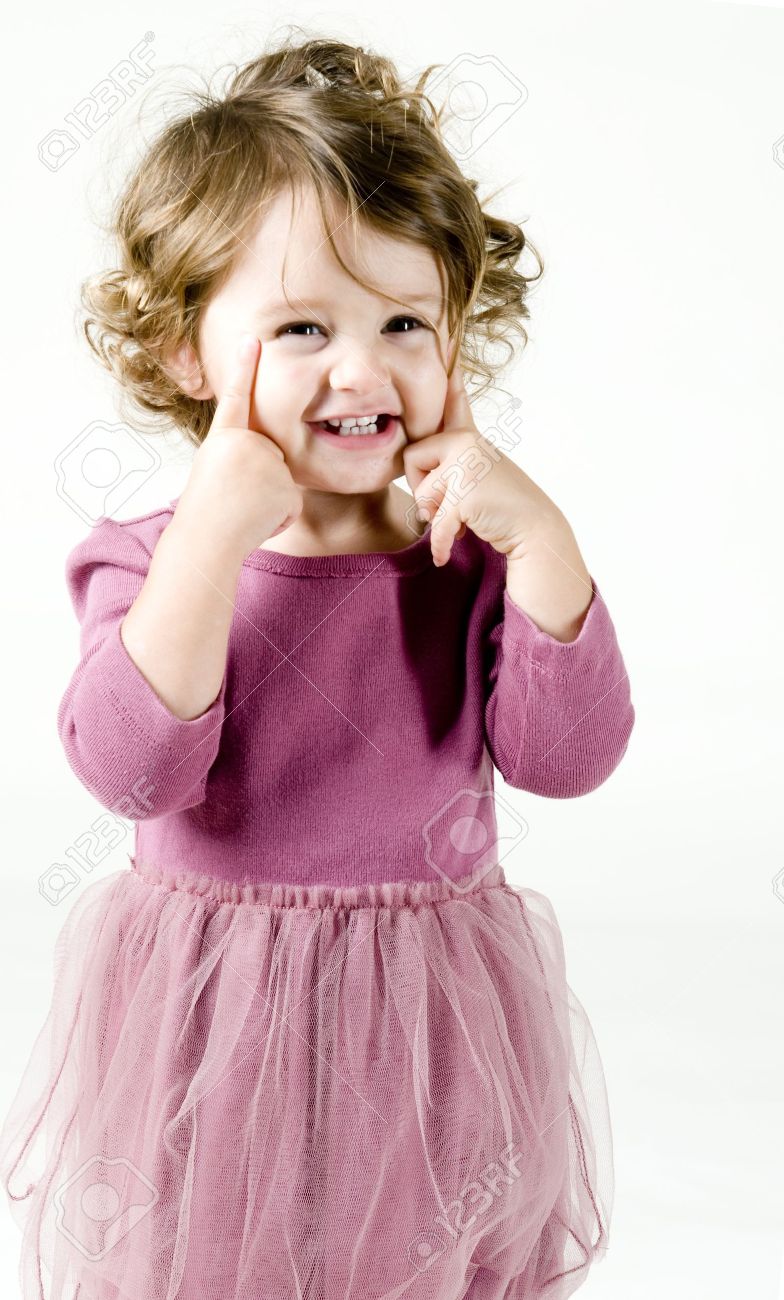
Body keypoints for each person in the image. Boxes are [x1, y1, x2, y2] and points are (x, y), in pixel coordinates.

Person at [0, 30, 635, 1300]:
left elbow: (565, 762)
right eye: (300, 325)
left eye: (405, 321)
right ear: (185, 349)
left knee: (417, 1262)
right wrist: (212, 534)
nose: (362, 368)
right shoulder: (148, 560)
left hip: (427, 1022)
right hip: (215, 1019)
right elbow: (134, 771)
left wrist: (544, 543)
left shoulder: (471, 557)